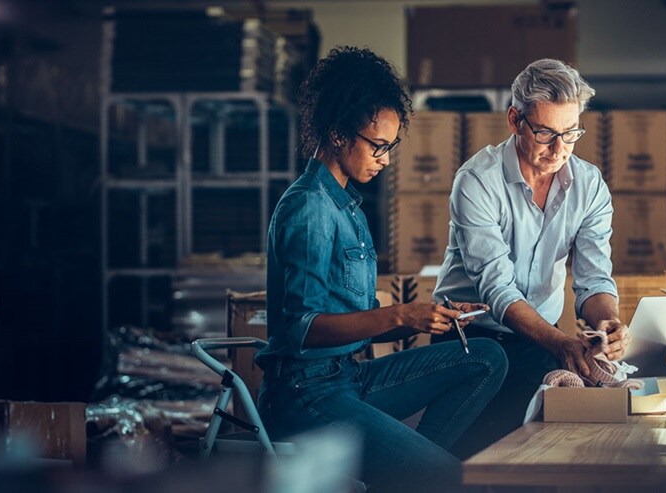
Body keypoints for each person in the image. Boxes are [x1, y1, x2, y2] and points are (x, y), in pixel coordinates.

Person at [254, 46, 508, 492]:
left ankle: (410, 475)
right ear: (336, 133)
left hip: (348, 377)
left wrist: (431, 315)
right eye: (377, 146)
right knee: (447, 477)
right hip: (304, 395)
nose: (385, 159)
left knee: (486, 357)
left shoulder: (347, 204)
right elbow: (300, 329)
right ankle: (422, 475)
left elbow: (360, 324)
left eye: (391, 147)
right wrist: (400, 315)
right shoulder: (310, 207)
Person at [432, 59, 632, 458]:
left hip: (542, 335)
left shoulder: (589, 186)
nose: (559, 149)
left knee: (538, 451)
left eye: (571, 134)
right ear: (514, 120)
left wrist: (607, 321)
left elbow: (593, 280)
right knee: (467, 458)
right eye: (545, 133)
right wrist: (560, 343)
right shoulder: (477, 181)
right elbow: (498, 289)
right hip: (469, 336)